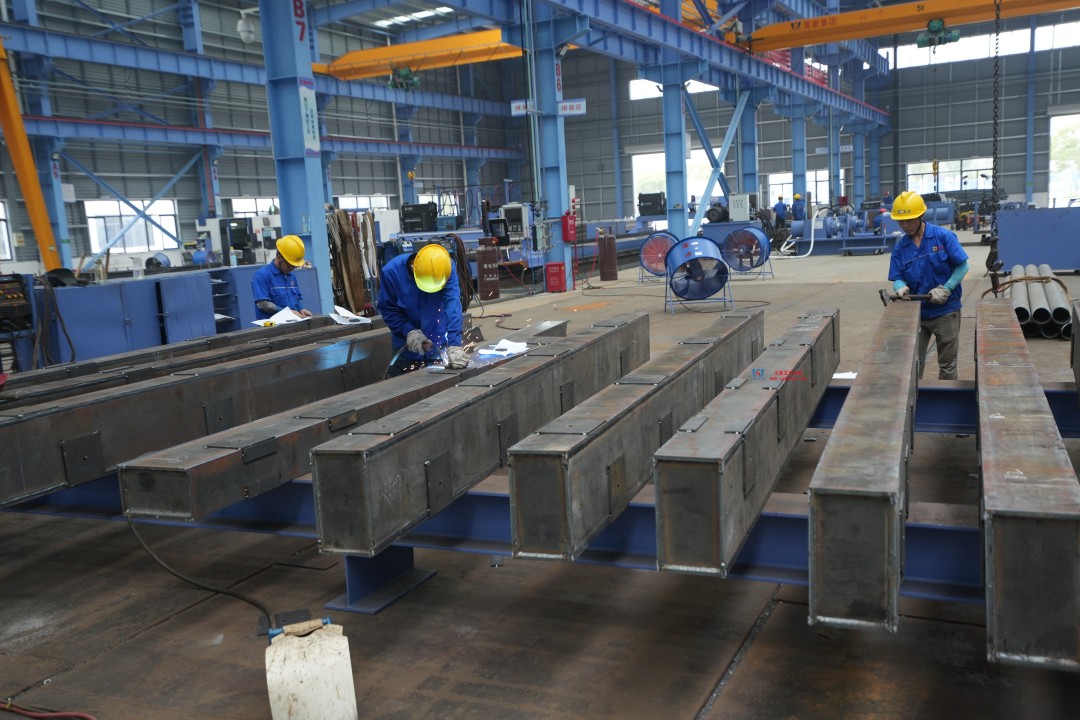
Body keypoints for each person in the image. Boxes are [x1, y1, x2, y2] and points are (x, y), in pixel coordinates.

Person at [887, 190, 969, 380]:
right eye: (901, 222)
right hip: (917, 313)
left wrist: (946, 288)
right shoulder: (900, 248)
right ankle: (914, 397)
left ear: (921, 215)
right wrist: (899, 287)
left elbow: (963, 265)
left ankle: (946, 396)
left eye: (909, 220)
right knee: (913, 364)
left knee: (948, 365)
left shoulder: (943, 237)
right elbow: (897, 276)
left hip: (945, 311)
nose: (905, 226)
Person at [378, 243, 468, 375]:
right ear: (413, 268)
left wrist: (455, 344)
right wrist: (409, 331)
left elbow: (452, 305)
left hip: (438, 344)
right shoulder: (391, 273)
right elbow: (388, 309)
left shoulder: (445, 268)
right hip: (406, 347)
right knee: (402, 384)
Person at [252, 234, 313, 320]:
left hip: (292, 324)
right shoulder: (262, 275)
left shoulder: (291, 276)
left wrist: (301, 309)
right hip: (272, 327)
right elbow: (263, 304)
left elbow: (297, 299)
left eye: (295, 266)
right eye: (290, 265)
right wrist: (288, 312)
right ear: (279, 258)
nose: (292, 268)